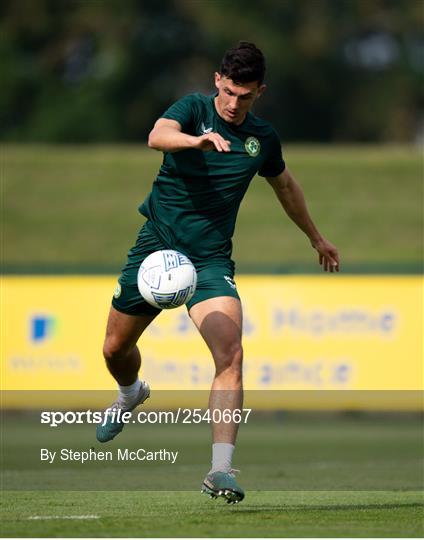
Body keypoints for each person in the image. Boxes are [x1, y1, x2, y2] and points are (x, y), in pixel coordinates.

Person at [96, 41, 339, 503]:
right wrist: (196, 140)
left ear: (259, 93)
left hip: (210, 261)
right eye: (227, 92)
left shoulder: (262, 139)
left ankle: (220, 470)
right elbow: (156, 135)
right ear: (216, 82)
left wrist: (316, 237)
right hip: (156, 251)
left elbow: (284, 185)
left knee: (231, 355)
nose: (233, 103)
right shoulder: (191, 110)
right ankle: (130, 393)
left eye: (244, 96)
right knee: (113, 349)